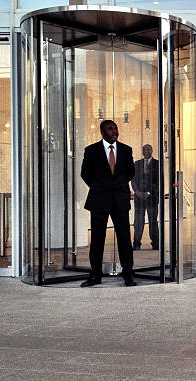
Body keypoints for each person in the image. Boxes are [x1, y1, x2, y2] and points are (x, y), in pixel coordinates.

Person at [80, 120, 137, 287]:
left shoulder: (126, 150)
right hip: (99, 199)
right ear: (102, 132)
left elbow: (130, 172)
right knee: (97, 240)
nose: (114, 131)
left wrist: (117, 186)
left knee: (125, 239)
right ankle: (95, 275)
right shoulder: (91, 150)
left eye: (116, 128)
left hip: (120, 199)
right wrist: (100, 187)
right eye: (110, 129)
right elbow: (85, 174)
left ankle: (128, 274)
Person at [132, 144, 159, 250]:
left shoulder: (157, 164)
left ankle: (155, 243)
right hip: (139, 198)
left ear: (152, 150)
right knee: (138, 221)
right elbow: (133, 180)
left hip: (151, 198)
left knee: (153, 221)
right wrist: (137, 191)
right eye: (144, 149)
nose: (145, 151)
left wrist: (149, 193)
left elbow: (158, 181)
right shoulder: (137, 164)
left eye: (148, 149)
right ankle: (137, 243)